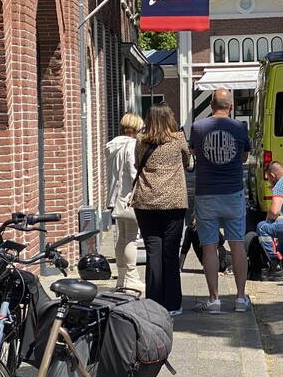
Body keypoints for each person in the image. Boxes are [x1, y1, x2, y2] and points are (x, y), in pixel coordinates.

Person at [189, 88, 252, 314]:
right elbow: (244, 157)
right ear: (231, 106)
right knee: (237, 244)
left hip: (206, 192)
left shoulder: (198, 127)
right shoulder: (240, 128)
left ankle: (214, 300)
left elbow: (194, 152)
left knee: (209, 246)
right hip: (233, 192)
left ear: (211, 105)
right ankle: (241, 298)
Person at [133, 104, 190, 315]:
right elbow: (188, 162)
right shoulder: (178, 140)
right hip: (173, 202)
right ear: (169, 119)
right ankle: (173, 303)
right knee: (170, 253)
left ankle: (153, 303)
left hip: (146, 202)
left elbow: (137, 163)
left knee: (153, 252)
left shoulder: (141, 140)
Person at [105, 112, 145, 293]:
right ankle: (131, 278)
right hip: (129, 198)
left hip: (116, 199)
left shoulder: (113, 145)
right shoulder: (131, 146)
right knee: (131, 238)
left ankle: (121, 278)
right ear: (136, 128)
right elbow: (133, 172)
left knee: (121, 236)